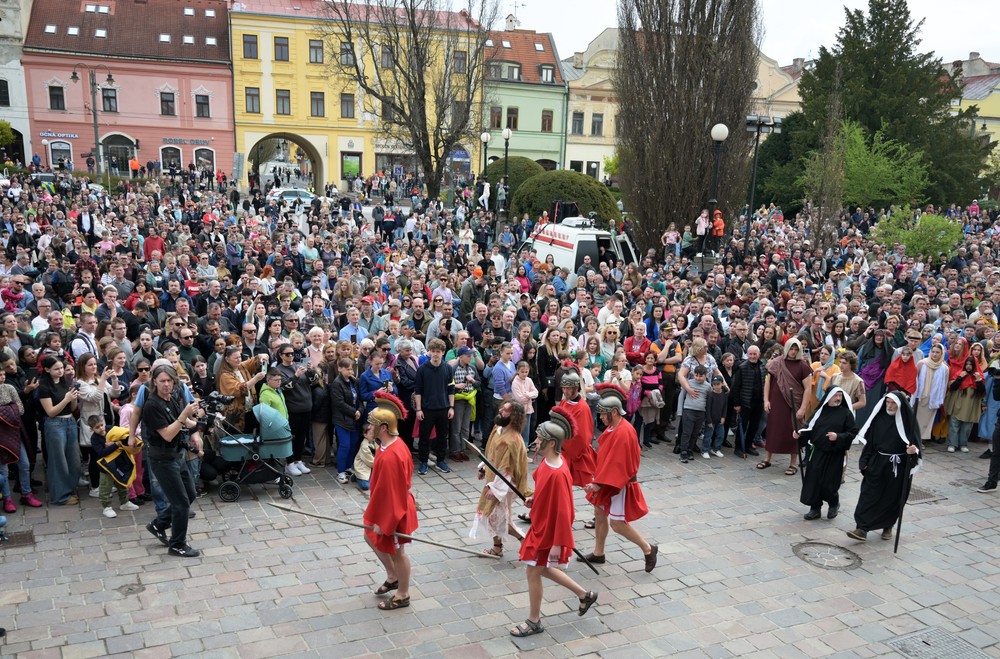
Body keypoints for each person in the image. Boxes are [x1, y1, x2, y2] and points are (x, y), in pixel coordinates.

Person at [510, 406, 598, 638]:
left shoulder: (559, 471)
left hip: (547, 531)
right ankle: (584, 595)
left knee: (533, 570)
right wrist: (533, 500)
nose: (536, 441)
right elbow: (543, 493)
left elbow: (563, 510)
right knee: (539, 568)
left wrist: (560, 543)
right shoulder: (550, 463)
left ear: (551, 443)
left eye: (540, 438)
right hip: (541, 525)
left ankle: (534, 620)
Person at [579, 383, 657, 572]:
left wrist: (598, 484)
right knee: (599, 512)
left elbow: (619, 465)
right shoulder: (614, 426)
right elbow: (607, 457)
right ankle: (599, 553)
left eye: (603, 414)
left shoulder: (624, 432)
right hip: (608, 480)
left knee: (617, 524)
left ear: (614, 412)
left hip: (618, 484)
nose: (601, 417)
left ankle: (648, 549)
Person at [363, 390, 418, 611]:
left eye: (372, 424)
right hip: (383, 506)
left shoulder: (392, 455)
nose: (368, 428)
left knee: (398, 551)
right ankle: (393, 575)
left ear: (383, 428)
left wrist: (386, 523)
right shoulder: (386, 445)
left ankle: (403, 594)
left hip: (395, 511)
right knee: (368, 534)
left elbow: (395, 494)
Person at [142, 364, 203, 558]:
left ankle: (158, 525)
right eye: (162, 381)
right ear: (154, 382)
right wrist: (184, 415)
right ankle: (177, 544)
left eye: (169, 381)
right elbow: (167, 434)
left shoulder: (172, 399)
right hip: (162, 459)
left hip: (177, 455)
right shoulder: (152, 405)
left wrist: (201, 426)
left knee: (190, 493)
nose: (166, 384)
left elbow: (186, 422)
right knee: (181, 503)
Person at [847, 391, 922, 543]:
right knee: (868, 495)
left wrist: (912, 452)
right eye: (887, 402)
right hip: (877, 462)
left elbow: (915, 446)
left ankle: (887, 525)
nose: (890, 406)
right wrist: (864, 461)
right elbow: (870, 443)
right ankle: (862, 528)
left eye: (893, 403)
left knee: (891, 498)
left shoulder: (909, 422)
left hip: (897, 467)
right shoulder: (878, 419)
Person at [471, 400, 530, 556]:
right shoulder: (498, 430)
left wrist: (495, 488)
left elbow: (508, 470)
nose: (501, 411)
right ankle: (497, 548)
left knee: (499, 518)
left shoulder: (512, 440)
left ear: (514, 416)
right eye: (502, 408)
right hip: (494, 481)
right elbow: (491, 454)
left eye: (505, 411)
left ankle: (525, 540)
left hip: (505, 485)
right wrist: (484, 468)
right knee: (493, 515)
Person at [794, 387, 857, 521]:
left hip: (835, 454)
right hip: (817, 452)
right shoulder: (819, 412)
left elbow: (852, 432)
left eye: (840, 395)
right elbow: (808, 428)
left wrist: (838, 437)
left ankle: (834, 503)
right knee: (814, 481)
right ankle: (815, 509)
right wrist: (799, 434)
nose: (838, 398)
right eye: (836, 396)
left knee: (829, 483)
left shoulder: (846, 413)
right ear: (828, 397)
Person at [759, 337, 811, 475]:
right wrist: (766, 400)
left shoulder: (803, 366)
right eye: (791, 349)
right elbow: (768, 382)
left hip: (794, 404)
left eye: (796, 349)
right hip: (776, 403)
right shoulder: (776, 363)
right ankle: (768, 458)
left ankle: (793, 463)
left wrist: (803, 408)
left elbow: (807, 389)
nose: (793, 352)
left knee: (793, 432)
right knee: (773, 430)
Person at [37, 355, 81, 505]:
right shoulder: (43, 386)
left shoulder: (64, 382)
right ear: (47, 369)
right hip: (55, 425)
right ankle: (60, 496)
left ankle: (70, 489)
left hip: (70, 422)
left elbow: (73, 408)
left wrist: (74, 398)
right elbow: (50, 412)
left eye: (62, 368)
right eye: (56, 369)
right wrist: (66, 399)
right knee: (58, 461)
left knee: (74, 459)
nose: (61, 371)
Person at [413, 338, 455, 475]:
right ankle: (423, 462)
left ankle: (441, 461)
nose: (435, 354)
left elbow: (451, 389)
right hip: (427, 409)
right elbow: (418, 390)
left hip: (443, 408)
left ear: (443, 353)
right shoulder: (422, 369)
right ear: (429, 352)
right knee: (424, 438)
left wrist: (451, 407)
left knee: (442, 437)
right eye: (433, 351)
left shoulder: (448, 368)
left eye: (438, 351)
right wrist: (418, 409)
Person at [88, 415, 140, 518]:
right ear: (91, 429)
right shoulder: (94, 439)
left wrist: (115, 443)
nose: (101, 428)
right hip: (106, 466)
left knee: (122, 482)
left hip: (118, 462)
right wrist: (115, 445)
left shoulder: (110, 428)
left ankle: (124, 502)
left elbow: (123, 435)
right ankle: (106, 507)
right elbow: (101, 453)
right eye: (97, 427)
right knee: (105, 486)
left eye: (101, 425)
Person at [330, 357, 363, 484]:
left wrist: (359, 409)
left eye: (351, 369)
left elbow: (359, 398)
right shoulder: (337, 383)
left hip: (354, 418)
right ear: (340, 369)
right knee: (345, 445)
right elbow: (339, 403)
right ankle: (340, 471)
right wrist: (354, 412)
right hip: (342, 419)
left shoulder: (353, 381)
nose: (351, 372)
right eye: (347, 369)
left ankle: (348, 467)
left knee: (354, 443)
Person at [677, 365, 710, 463]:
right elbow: (681, 396)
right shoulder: (688, 383)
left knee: (695, 433)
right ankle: (683, 451)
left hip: (701, 413)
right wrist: (680, 411)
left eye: (701, 376)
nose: (698, 378)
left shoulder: (708, 386)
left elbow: (709, 400)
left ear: (705, 376)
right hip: (688, 411)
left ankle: (690, 450)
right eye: (696, 375)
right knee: (686, 432)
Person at [703, 375, 729, 459]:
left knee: (721, 435)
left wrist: (723, 417)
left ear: (722, 384)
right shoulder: (710, 395)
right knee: (708, 436)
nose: (716, 385)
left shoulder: (724, 395)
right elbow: (708, 408)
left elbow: (725, 407)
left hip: (720, 419)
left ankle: (716, 449)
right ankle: (705, 450)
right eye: (714, 384)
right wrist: (709, 421)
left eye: (718, 384)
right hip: (711, 420)